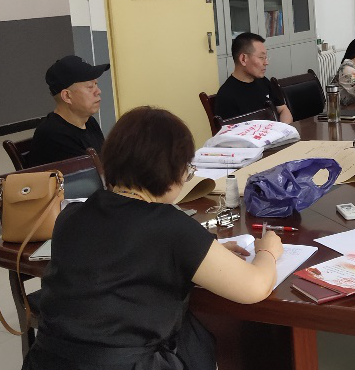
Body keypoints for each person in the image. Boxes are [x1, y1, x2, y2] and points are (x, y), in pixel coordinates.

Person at [22, 106, 283, 370]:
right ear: (170, 172)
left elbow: (118, 255)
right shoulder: (171, 226)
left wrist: (206, 252)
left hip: (46, 361)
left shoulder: (71, 215)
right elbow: (254, 287)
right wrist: (268, 251)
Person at [30, 55, 109, 166]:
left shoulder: (89, 122)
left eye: (96, 84)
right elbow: (94, 174)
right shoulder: (55, 136)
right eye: (90, 87)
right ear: (67, 96)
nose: (98, 91)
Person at [215, 32, 293, 123]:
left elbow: (283, 109)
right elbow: (232, 131)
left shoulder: (263, 81)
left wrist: (283, 128)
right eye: (261, 57)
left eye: (266, 57)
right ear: (243, 59)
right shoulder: (226, 96)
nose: (266, 62)